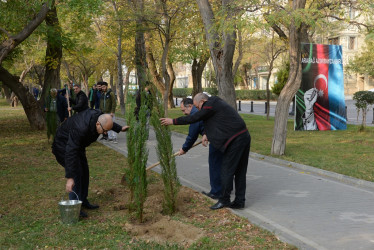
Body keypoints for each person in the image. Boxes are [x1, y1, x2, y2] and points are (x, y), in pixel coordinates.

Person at [160, 93, 251, 210]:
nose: (198, 110)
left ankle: (224, 200)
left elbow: (195, 118)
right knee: (239, 171)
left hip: (236, 140)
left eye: (197, 107)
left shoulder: (209, 104)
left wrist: (173, 121)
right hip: (243, 136)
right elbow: (215, 121)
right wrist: (206, 133)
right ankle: (239, 202)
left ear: (202, 102)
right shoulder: (215, 104)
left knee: (226, 171)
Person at [52, 108, 129, 218]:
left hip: (78, 146)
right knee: (76, 173)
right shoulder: (81, 128)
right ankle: (75, 209)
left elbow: (107, 123)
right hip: (64, 146)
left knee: (84, 170)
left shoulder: (100, 117)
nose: (106, 133)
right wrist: (70, 177)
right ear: (97, 124)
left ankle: (83, 200)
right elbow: (70, 151)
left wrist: (120, 128)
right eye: (104, 131)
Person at [178, 98, 222, 200]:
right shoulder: (199, 111)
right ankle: (225, 187)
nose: (184, 113)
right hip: (222, 138)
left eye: (183, 110)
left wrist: (184, 149)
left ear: (190, 106)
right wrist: (205, 133)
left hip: (217, 140)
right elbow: (204, 125)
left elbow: (192, 135)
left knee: (214, 165)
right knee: (222, 164)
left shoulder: (194, 114)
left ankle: (216, 192)